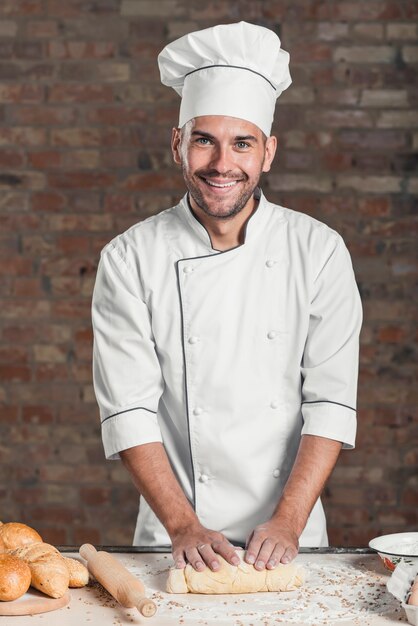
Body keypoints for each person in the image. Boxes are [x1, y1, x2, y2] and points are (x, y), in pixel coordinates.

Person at [92, 22, 362, 575]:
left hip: (294, 531)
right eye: (204, 139)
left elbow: (330, 403)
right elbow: (130, 410)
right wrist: (184, 524)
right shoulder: (129, 257)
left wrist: (287, 521)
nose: (222, 164)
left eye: (242, 142)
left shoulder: (319, 250)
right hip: (173, 529)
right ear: (177, 145)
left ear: (268, 152)